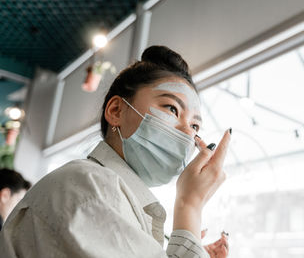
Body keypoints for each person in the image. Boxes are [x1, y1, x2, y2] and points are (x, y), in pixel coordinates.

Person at [0, 46, 231, 258]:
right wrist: (189, 206)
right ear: (116, 110)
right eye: (172, 108)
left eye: (195, 126)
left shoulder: (118, 199)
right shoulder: (90, 186)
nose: (188, 134)